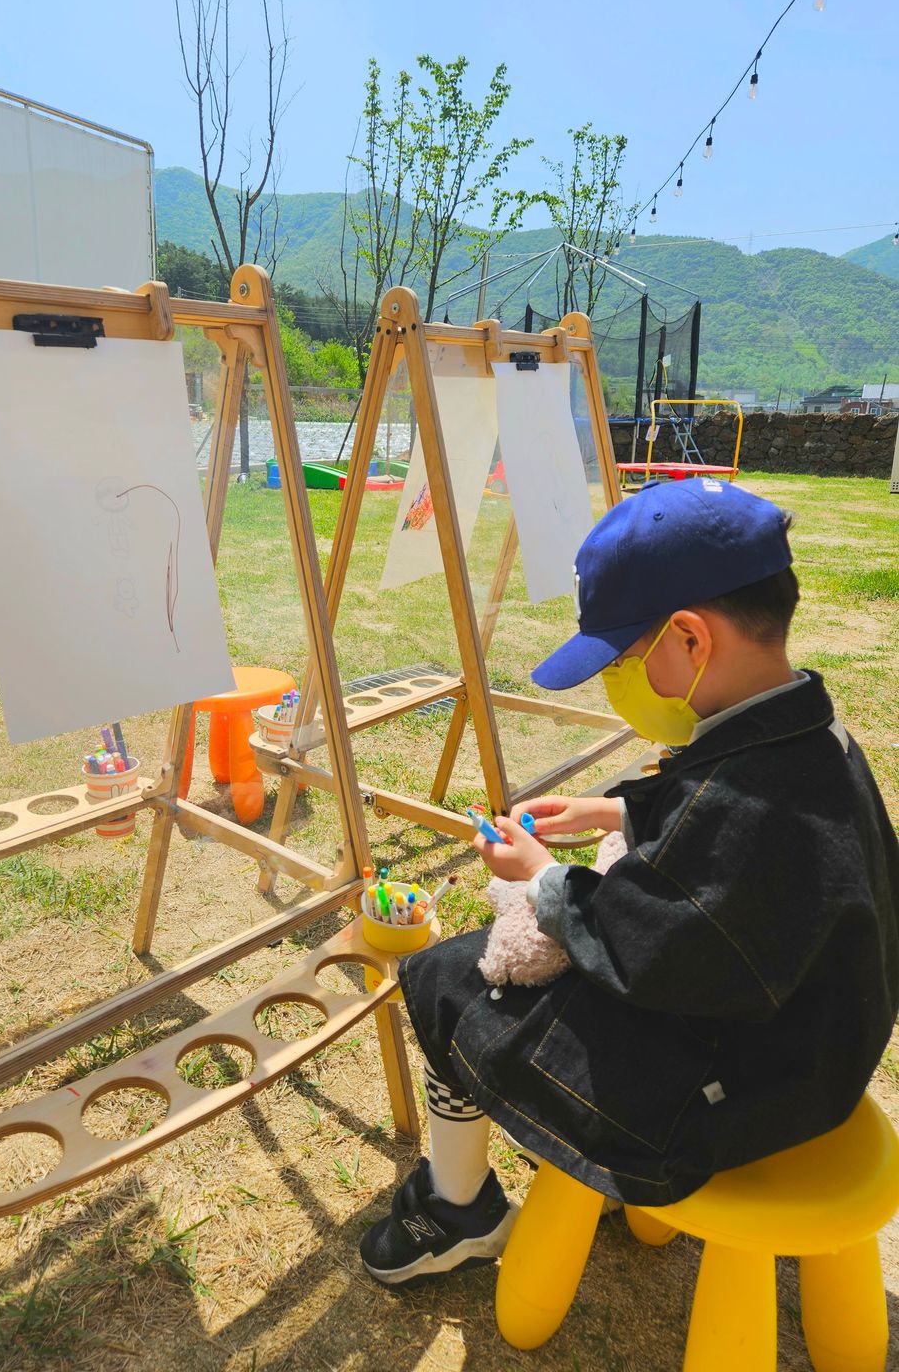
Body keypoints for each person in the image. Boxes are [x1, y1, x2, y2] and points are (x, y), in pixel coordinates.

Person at [360, 478, 899, 1286]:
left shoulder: (737, 801)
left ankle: (456, 1210)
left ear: (689, 637)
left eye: (620, 658)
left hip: (736, 1101)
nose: (615, 679)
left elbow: (646, 946)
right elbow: (730, 857)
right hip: (814, 1054)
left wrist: (543, 878)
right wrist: (615, 813)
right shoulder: (814, 736)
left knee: (446, 977)